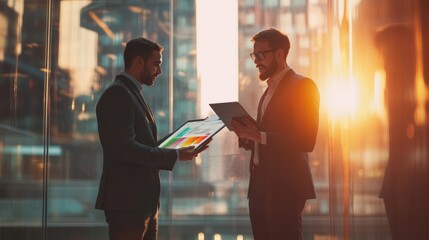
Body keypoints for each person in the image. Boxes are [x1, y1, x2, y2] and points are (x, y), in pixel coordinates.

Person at [95, 37, 208, 240]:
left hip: (141, 204)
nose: (159, 71)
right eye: (156, 64)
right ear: (139, 62)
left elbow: (142, 145)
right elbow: (125, 148)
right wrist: (173, 155)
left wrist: (179, 146)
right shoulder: (118, 95)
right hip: (128, 205)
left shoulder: (131, 93)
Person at [230, 28, 319, 240]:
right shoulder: (268, 90)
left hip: (285, 187)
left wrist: (259, 136)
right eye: (254, 55)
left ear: (280, 54)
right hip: (260, 187)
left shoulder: (304, 86)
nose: (256, 61)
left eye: (261, 55)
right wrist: (248, 137)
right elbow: (269, 137)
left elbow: (307, 140)